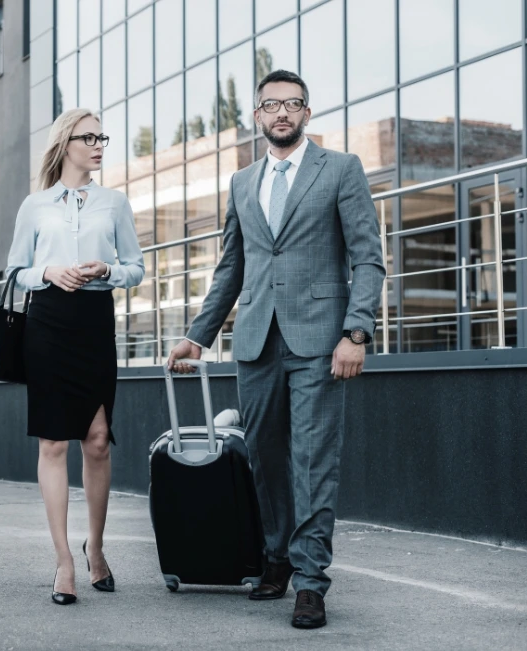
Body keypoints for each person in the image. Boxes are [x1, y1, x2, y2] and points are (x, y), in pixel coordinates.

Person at [166, 70, 385, 629]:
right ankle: (278, 557)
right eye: (271, 105)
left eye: (292, 104)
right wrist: (198, 334)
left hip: (321, 342)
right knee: (263, 455)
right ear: (258, 116)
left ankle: (311, 582)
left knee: (313, 461)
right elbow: (231, 269)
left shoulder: (341, 169)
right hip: (257, 340)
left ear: (307, 113)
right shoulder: (242, 183)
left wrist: (356, 331)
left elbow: (368, 257)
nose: (281, 113)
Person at [6, 108, 144, 605]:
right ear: (66, 143)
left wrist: (108, 269)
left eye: (102, 137)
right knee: (52, 443)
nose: (100, 144)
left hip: (93, 321)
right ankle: (64, 561)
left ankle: (97, 548)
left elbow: (137, 269)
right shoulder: (35, 205)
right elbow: (14, 271)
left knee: (99, 439)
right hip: (47, 322)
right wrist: (47, 273)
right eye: (90, 137)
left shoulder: (115, 203)